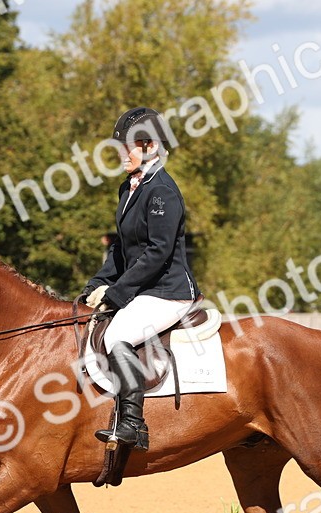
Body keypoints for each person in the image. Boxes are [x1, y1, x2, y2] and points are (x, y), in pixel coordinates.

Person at [78, 107, 198, 451]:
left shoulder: (163, 191)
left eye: (124, 148)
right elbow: (122, 246)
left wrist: (118, 292)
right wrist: (97, 281)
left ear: (148, 146)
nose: (118, 155)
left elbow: (158, 252)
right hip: (145, 289)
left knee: (118, 334)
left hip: (168, 291)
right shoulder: (129, 188)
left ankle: (133, 424)